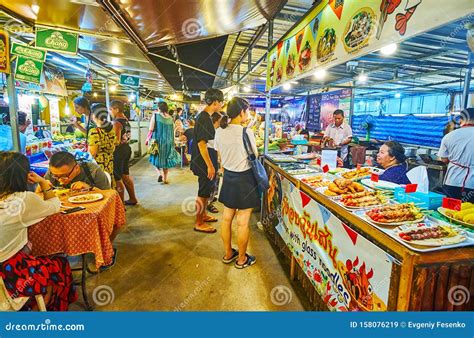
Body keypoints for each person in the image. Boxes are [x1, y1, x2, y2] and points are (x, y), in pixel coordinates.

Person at [0, 152, 77, 311]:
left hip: (8, 264)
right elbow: (55, 206)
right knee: (59, 265)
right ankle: (43, 314)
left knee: (32, 250)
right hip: (8, 273)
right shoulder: (22, 199)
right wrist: (43, 182)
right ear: (23, 175)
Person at [214, 97, 259, 269]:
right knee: (242, 222)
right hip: (245, 179)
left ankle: (228, 254)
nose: (247, 114)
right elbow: (253, 154)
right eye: (247, 111)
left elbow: (220, 157)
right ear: (241, 112)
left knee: (226, 219)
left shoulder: (219, 131)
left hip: (229, 177)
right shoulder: (245, 132)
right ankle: (241, 259)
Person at [191, 88, 224, 234]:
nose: (222, 104)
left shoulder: (206, 116)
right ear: (215, 102)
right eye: (221, 102)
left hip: (206, 159)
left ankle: (203, 215)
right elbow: (202, 144)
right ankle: (198, 222)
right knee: (203, 191)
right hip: (204, 161)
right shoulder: (203, 117)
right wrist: (210, 165)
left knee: (206, 190)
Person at [439, 108, 474, 202]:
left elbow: (444, 159)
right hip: (472, 184)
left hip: (452, 181)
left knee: (449, 211)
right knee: (469, 213)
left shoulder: (449, 136)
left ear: (461, 120)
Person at [110, 100, 138, 205]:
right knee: (125, 175)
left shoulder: (116, 122)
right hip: (127, 148)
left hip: (119, 151)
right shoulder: (126, 120)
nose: (110, 112)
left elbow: (116, 141)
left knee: (117, 178)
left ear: (116, 109)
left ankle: (120, 206)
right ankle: (132, 198)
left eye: (111, 109)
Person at [146, 102, 180, 184]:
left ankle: (159, 173)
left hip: (156, 141)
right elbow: (173, 131)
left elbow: (151, 129)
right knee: (165, 162)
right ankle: (165, 179)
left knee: (153, 158)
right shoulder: (171, 118)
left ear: (159, 108)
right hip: (168, 142)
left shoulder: (155, 116)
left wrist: (147, 138)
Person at [44, 151, 111, 190]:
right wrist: (40, 189)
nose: (60, 180)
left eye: (64, 175)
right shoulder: (52, 172)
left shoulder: (93, 170)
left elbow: (109, 195)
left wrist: (90, 188)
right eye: (56, 176)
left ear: (77, 168)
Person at [88, 103, 116, 187]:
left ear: (93, 115)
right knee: (109, 185)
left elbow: (92, 153)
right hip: (109, 163)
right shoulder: (111, 129)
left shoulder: (94, 131)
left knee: (101, 188)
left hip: (99, 166)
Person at [207, 112, 223, 214]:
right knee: (212, 181)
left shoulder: (216, 130)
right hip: (212, 156)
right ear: (217, 120)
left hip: (213, 156)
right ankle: (208, 203)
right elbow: (216, 148)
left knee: (214, 180)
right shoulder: (213, 132)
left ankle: (210, 200)